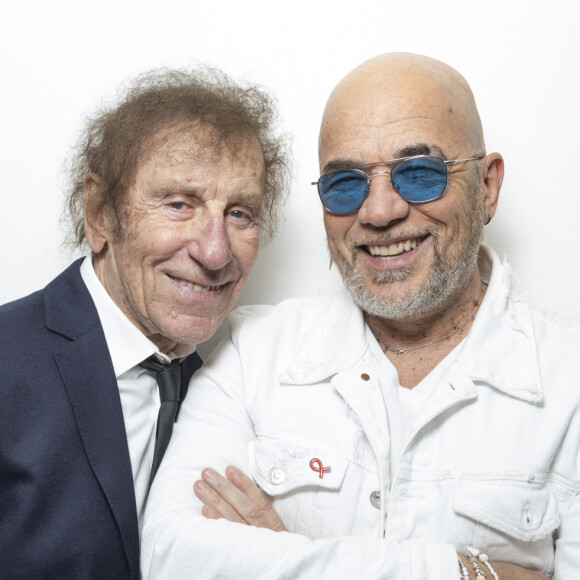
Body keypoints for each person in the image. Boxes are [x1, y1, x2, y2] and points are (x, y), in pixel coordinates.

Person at [140, 54, 578, 579]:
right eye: (346, 184)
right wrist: (461, 572)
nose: (379, 211)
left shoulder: (569, 378)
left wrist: (283, 556)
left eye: (419, 174)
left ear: (486, 187)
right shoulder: (252, 351)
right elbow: (172, 558)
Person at [0, 67, 289, 579]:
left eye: (240, 213)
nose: (216, 252)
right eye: (179, 204)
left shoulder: (227, 389)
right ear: (99, 214)